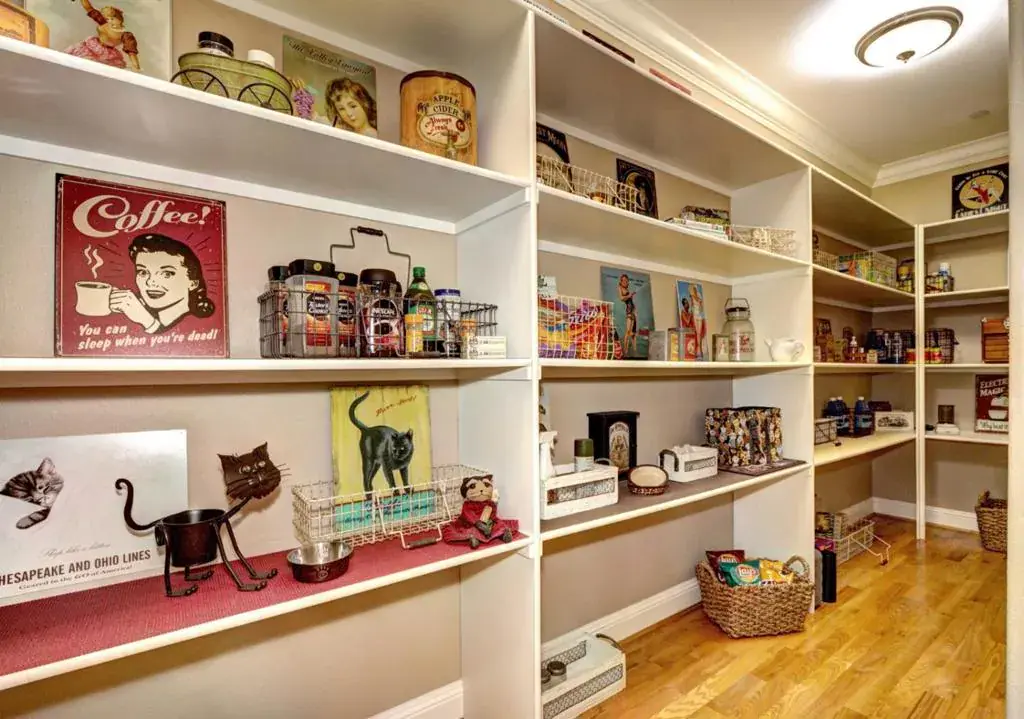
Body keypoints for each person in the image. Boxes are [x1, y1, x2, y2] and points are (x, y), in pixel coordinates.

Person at [109, 234, 214, 334]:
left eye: (167, 274)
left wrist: (148, 322)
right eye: (143, 272)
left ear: (192, 283)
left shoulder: (200, 325)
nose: (150, 282)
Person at [65, 0, 140, 72]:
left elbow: (131, 52)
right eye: (107, 19)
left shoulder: (126, 35)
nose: (109, 21)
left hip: (107, 55)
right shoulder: (104, 23)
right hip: (93, 47)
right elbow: (89, 9)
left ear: (120, 19)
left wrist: (136, 66)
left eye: (112, 19)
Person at [618, 273, 637, 357]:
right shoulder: (620, 288)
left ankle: (635, 350)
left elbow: (631, 301)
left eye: (626, 280)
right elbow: (621, 298)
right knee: (628, 331)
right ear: (621, 281)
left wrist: (635, 310)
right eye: (624, 280)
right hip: (629, 311)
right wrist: (629, 295)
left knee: (633, 333)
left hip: (633, 310)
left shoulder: (627, 289)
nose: (625, 282)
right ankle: (625, 350)